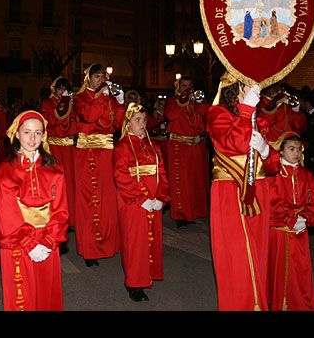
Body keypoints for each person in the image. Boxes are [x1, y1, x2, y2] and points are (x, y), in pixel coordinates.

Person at [206, 72, 273, 311]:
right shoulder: (217, 114)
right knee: (237, 254)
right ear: (232, 88)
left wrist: (266, 151)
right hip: (231, 190)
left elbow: (273, 162)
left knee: (259, 251)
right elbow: (235, 142)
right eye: (246, 85)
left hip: (259, 190)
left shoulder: (258, 116)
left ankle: (259, 302)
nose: (253, 89)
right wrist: (246, 110)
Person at [0, 110, 68, 311]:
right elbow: (6, 213)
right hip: (18, 240)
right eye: (27, 132)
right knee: (22, 296)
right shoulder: (4, 170)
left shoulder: (55, 168)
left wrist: (48, 241)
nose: (32, 138)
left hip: (47, 239)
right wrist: (29, 243)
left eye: (38, 132)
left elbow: (61, 210)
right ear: (17, 134)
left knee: (46, 292)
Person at [113, 103, 168, 302]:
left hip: (153, 199)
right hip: (133, 202)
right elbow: (121, 176)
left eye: (144, 120)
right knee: (135, 242)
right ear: (127, 124)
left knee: (149, 239)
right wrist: (140, 199)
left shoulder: (154, 145)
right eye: (137, 120)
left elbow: (162, 172)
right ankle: (134, 283)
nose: (142, 124)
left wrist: (161, 197)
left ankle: (148, 275)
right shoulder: (122, 147)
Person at [72, 63, 125, 266]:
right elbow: (89, 116)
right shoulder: (80, 98)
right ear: (88, 79)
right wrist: (103, 95)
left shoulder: (108, 98)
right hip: (88, 153)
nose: (101, 79)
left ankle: (108, 243)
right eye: (96, 76)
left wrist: (120, 102)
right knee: (90, 199)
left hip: (107, 152)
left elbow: (117, 124)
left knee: (108, 200)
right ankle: (90, 248)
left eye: (103, 76)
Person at [265, 132, 314, 311]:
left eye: (299, 149)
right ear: (280, 151)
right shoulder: (273, 176)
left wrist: (306, 219)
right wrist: (290, 219)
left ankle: (300, 304)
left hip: (300, 233)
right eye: (291, 149)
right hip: (280, 233)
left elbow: (313, 204)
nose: (296, 153)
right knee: (279, 271)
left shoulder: (307, 175)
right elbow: (271, 204)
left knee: (300, 272)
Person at [164, 76, 210, 226]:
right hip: (179, 145)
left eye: (189, 86)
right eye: (184, 86)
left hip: (195, 146)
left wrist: (199, 102)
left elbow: (208, 115)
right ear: (179, 87)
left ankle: (193, 213)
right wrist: (183, 100)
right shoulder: (173, 101)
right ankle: (181, 215)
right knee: (180, 183)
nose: (187, 89)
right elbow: (170, 115)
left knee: (195, 182)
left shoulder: (196, 102)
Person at [40, 77, 77, 228]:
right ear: (54, 90)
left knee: (70, 183)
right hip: (54, 148)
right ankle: (54, 217)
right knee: (54, 183)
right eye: (60, 89)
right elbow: (50, 121)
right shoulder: (47, 104)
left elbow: (75, 123)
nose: (62, 92)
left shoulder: (71, 104)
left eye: (65, 89)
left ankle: (71, 218)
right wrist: (64, 104)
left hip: (68, 148)